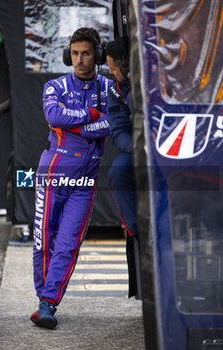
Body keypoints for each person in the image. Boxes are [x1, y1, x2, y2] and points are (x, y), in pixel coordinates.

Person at [31, 27, 111, 329]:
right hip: (54, 169)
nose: (80, 59)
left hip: (87, 175)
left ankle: (47, 303)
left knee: (68, 243)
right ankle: (44, 297)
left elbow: (113, 124)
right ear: (68, 54)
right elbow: (54, 117)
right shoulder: (55, 86)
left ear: (98, 54)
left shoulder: (109, 88)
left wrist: (76, 123)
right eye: (75, 53)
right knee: (43, 239)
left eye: (86, 53)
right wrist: (91, 116)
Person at [106, 37, 139, 298]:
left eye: (114, 69)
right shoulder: (116, 90)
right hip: (139, 151)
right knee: (118, 171)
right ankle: (138, 232)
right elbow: (118, 132)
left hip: (177, 147)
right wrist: (139, 150)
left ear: (128, 68)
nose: (110, 73)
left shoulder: (160, 81)